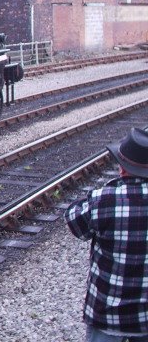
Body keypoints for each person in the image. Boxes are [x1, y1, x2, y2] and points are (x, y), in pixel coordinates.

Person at [65, 127, 148, 342]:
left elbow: (74, 222)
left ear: (122, 169)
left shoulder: (105, 200)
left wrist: (104, 191)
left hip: (109, 314)